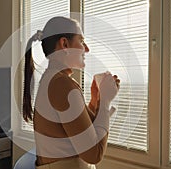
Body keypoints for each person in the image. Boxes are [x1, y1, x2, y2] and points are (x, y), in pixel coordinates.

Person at [22, 16, 120, 169]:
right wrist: (106, 102)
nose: (86, 49)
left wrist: (96, 100)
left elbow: (82, 132)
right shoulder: (61, 84)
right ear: (65, 44)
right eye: (81, 41)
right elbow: (93, 154)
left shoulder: (53, 80)